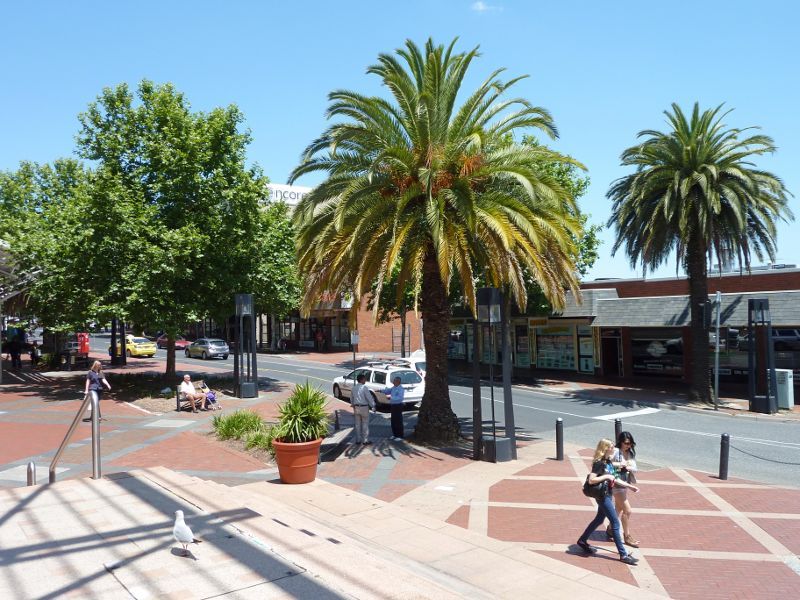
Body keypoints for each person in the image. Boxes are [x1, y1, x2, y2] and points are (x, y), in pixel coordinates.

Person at [576, 438, 640, 565]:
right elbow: (591, 480)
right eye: (611, 446)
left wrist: (629, 486)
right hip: (603, 496)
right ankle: (623, 554)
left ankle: (582, 540)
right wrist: (606, 476)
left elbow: (614, 478)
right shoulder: (599, 463)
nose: (613, 448)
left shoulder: (608, 461)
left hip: (607, 493)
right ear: (605, 448)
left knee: (599, 519)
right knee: (615, 523)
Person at [606, 431, 640, 547]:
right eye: (626, 443)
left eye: (630, 443)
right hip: (616, 484)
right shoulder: (616, 451)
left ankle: (610, 528)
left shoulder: (630, 453)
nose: (628, 445)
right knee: (628, 510)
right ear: (620, 442)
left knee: (619, 508)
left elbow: (635, 468)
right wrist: (620, 464)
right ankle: (627, 536)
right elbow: (607, 463)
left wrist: (629, 466)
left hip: (624, 483)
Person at [351, 373, 375, 445]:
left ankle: (358, 440)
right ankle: (365, 440)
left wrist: (353, 404)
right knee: (365, 423)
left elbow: (351, 398)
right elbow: (369, 398)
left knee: (357, 424)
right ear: (361, 380)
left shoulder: (354, 388)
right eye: (364, 379)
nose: (365, 380)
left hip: (356, 407)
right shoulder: (364, 387)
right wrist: (373, 405)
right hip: (364, 407)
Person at [383, 376, 405, 441]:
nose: (393, 382)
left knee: (398, 421)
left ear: (398, 382)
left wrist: (391, 398)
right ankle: (395, 434)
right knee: (393, 421)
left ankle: (400, 436)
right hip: (393, 406)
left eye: (394, 381)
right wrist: (381, 391)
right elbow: (388, 390)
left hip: (398, 406)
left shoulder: (401, 389)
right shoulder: (394, 387)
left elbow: (400, 398)